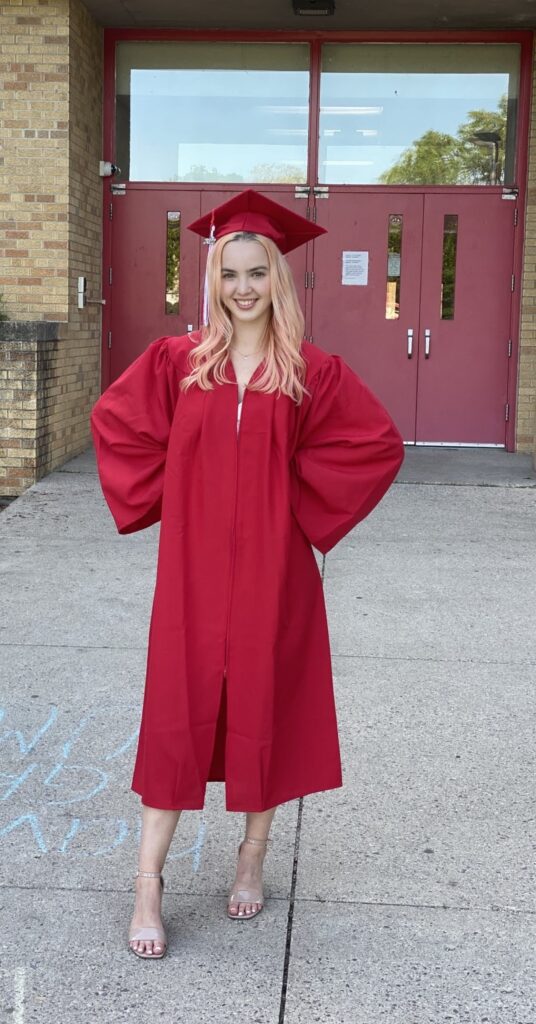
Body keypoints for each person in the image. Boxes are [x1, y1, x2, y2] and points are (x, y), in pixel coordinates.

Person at [90, 188, 404, 960]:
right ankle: (148, 887)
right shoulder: (177, 362)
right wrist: (181, 496)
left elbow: (374, 445)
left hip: (275, 576)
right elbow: (118, 425)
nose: (242, 288)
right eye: (229, 273)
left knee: (267, 706)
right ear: (213, 280)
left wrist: (292, 509)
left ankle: (251, 857)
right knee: (176, 716)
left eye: (256, 272)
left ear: (278, 278)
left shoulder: (310, 373)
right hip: (192, 580)